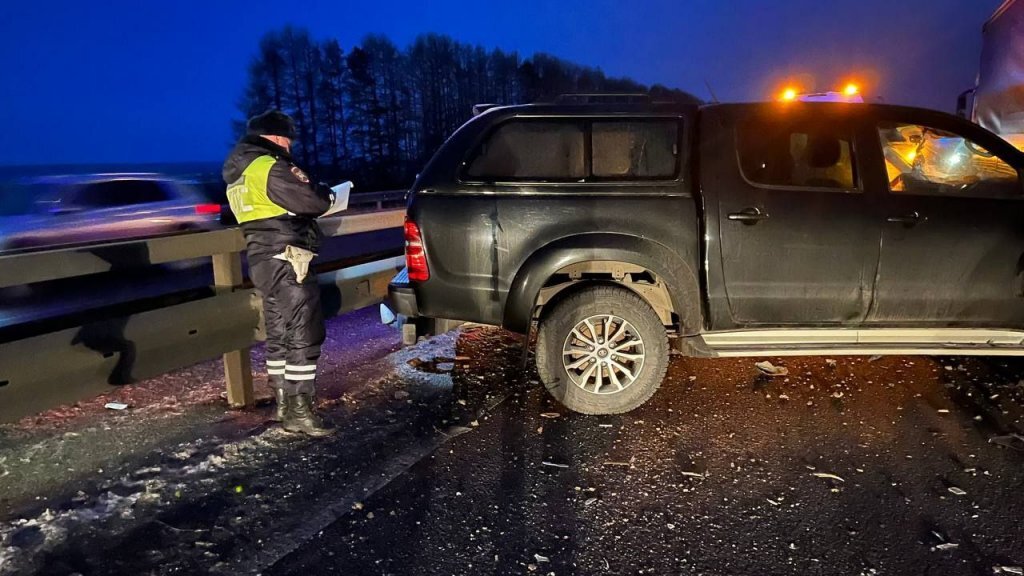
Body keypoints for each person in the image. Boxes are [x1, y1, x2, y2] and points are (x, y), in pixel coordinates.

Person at [222, 110, 340, 437]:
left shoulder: (237, 174)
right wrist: (329, 194)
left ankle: (283, 404)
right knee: (304, 332)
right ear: (275, 137)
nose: (289, 146)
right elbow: (313, 200)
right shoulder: (269, 166)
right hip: (289, 257)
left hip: (261, 260)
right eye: (287, 139)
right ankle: (300, 412)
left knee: (279, 333)